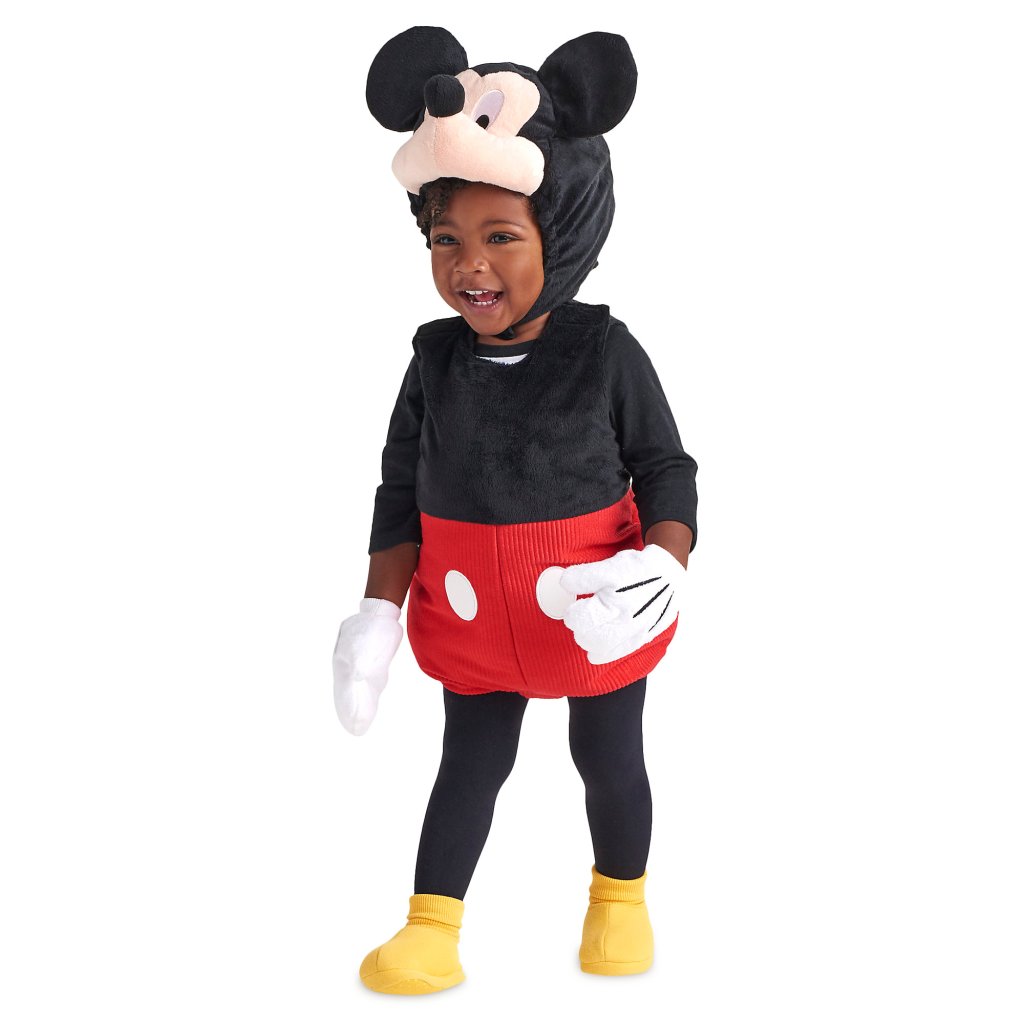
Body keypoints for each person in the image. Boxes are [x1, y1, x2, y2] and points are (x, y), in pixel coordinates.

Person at [333, 29, 698, 995]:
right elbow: (399, 488)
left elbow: (667, 468)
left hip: (592, 612)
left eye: (502, 237)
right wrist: (375, 612)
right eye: (446, 240)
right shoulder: (433, 360)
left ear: (561, 231)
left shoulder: (606, 352)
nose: (471, 266)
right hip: (471, 622)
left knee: (607, 758)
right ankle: (431, 927)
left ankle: (620, 898)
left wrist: (660, 568)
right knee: (469, 763)